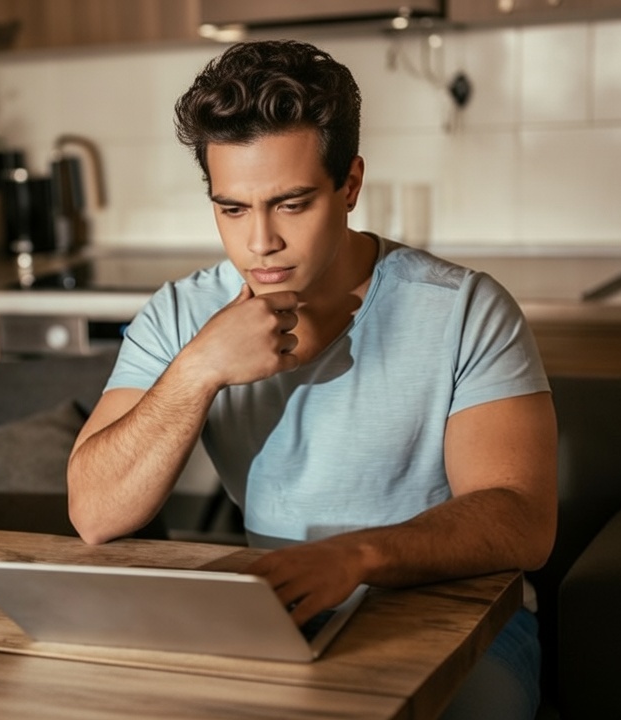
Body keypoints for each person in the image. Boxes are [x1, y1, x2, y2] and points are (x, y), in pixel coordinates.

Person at [66, 39, 557, 718]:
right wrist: (200, 368)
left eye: (291, 205)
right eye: (232, 209)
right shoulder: (183, 316)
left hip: (461, 616)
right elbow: (94, 513)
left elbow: (521, 518)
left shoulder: (466, 309)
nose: (259, 242)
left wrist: (354, 558)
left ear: (349, 184)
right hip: (280, 618)